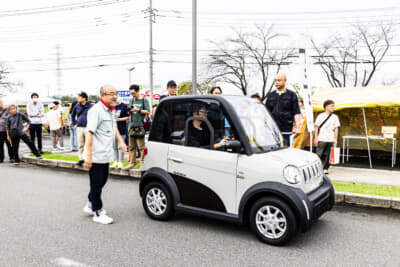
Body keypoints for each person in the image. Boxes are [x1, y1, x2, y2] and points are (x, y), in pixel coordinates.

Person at [83, 85, 127, 224]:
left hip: (106, 153)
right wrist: (89, 155)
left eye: (116, 93)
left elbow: (113, 128)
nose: (115, 96)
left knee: (102, 181)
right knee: (96, 184)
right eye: (111, 93)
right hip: (96, 154)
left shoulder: (110, 110)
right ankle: (97, 212)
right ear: (103, 95)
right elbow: (89, 132)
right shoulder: (96, 110)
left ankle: (90, 203)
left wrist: (121, 142)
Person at [265, 73, 301, 147]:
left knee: (285, 150)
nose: (276, 82)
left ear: (285, 81)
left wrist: (298, 127)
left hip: (286, 129)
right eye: (275, 80)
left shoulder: (292, 95)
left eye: (279, 80)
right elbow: (266, 113)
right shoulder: (271, 95)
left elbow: (296, 112)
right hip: (273, 129)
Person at [124, 84, 150, 170]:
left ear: (138, 91)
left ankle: (143, 163)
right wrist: (129, 110)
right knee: (131, 147)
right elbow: (128, 113)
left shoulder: (144, 100)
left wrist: (138, 110)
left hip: (140, 126)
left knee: (141, 147)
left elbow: (148, 111)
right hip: (131, 126)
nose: (133, 95)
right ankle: (132, 163)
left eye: (134, 93)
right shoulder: (131, 100)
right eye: (131, 93)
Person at [314, 100, 340, 174]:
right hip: (321, 138)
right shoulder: (320, 116)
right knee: (319, 154)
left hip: (330, 138)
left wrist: (335, 139)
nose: (333, 107)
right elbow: (316, 127)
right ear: (326, 106)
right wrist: (316, 138)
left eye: (333, 106)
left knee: (328, 155)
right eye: (332, 106)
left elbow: (336, 128)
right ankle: (316, 168)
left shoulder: (335, 117)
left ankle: (325, 168)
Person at [70, 92, 92, 166]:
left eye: (79, 97)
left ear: (84, 98)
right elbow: (72, 115)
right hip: (79, 127)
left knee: (88, 144)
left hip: (88, 127)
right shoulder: (76, 106)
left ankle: (88, 159)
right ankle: (81, 159)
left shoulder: (91, 106)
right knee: (81, 144)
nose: (77, 98)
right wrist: (74, 124)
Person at [111, 97, 129, 168]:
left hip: (121, 128)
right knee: (114, 146)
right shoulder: (112, 106)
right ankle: (115, 160)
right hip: (112, 129)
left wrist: (119, 119)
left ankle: (120, 161)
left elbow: (128, 117)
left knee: (120, 146)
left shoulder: (124, 106)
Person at [0, 99, 12, 163]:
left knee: (9, 144)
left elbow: (9, 118)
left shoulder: (6, 110)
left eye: (0, 103)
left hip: (7, 131)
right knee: (0, 145)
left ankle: (11, 157)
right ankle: (1, 158)